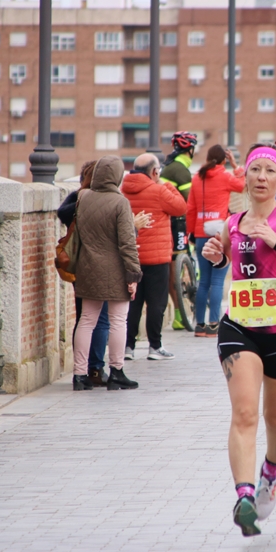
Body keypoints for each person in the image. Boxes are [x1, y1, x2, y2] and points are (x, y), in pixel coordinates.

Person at [202, 144, 276, 537]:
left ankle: (271, 471)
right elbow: (226, 258)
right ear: (247, 177)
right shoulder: (233, 221)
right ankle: (244, 496)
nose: (260, 177)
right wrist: (216, 256)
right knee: (244, 414)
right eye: (254, 169)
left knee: (275, 417)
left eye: (269, 171)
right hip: (240, 327)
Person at [72, 156, 143, 391]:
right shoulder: (119, 202)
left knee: (86, 321)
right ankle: (116, 372)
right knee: (117, 321)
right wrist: (133, 274)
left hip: (87, 267)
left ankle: (79, 375)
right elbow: (127, 242)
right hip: (115, 271)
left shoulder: (83, 198)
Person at [121, 153, 187, 360]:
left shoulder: (122, 191)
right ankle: (155, 347)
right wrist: (164, 184)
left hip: (130, 257)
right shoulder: (159, 190)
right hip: (157, 259)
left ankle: (128, 347)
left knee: (132, 303)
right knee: (156, 303)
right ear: (154, 171)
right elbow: (180, 206)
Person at [58, 160, 111, 386]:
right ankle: (96, 369)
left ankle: (80, 371)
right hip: (102, 266)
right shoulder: (107, 201)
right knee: (102, 320)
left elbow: (63, 213)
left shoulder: (76, 200)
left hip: (78, 265)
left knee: (83, 318)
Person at [187, 144, 245, 337]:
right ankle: (214, 325)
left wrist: (191, 233)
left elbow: (191, 209)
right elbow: (243, 185)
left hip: (201, 232)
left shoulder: (197, 178)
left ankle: (199, 326)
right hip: (220, 233)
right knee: (218, 281)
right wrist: (236, 166)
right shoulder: (226, 176)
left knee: (203, 281)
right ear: (223, 160)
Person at [162, 131, 197, 330]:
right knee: (176, 267)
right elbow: (190, 202)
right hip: (177, 224)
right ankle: (178, 316)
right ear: (190, 150)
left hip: (167, 222)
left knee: (172, 268)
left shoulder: (168, 166)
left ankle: (177, 314)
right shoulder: (180, 170)